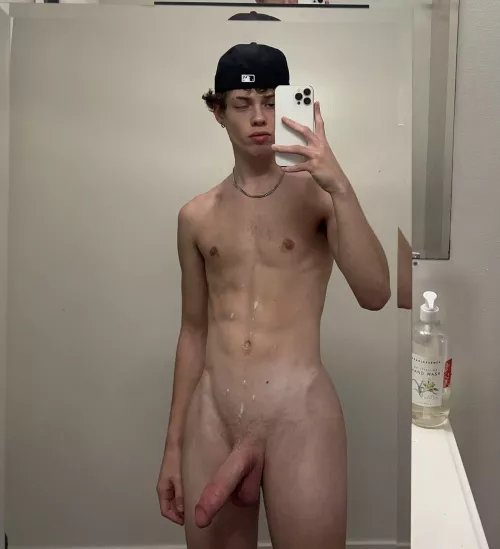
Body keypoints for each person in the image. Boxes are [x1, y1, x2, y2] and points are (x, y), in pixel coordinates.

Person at [156, 42, 390, 549]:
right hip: (213, 415)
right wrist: (172, 447)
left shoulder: (320, 198)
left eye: (270, 101)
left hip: (299, 412)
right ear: (218, 112)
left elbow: (376, 292)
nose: (259, 117)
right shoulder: (195, 216)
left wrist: (340, 186)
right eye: (242, 104)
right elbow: (193, 332)